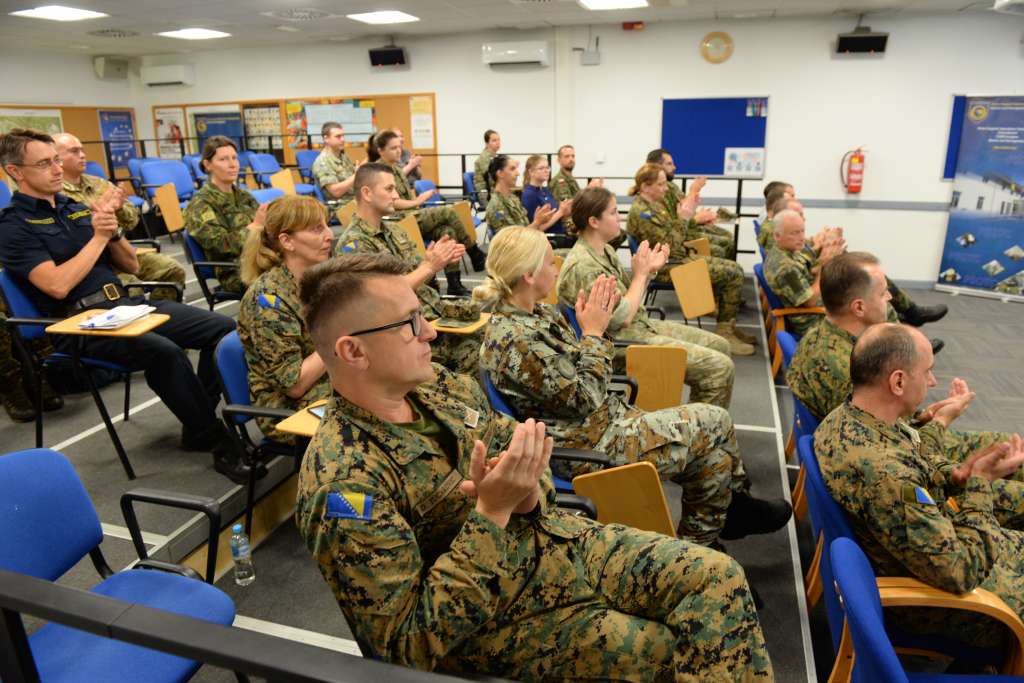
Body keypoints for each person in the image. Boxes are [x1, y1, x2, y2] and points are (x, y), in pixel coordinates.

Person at [294, 252, 774, 681]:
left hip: (553, 539)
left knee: (718, 577)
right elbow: (406, 644)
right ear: (352, 351)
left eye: (423, 315)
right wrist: (491, 514)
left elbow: (521, 452)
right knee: (671, 650)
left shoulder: (438, 386)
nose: (431, 331)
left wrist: (525, 497)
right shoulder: (343, 483)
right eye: (409, 324)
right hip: (496, 615)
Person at [476, 225, 791, 546]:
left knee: (715, 461)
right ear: (528, 275)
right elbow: (583, 397)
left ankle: (703, 541)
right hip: (585, 447)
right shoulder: (516, 340)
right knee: (715, 421)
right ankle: (727, 516)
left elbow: (585, 371)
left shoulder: (539, 314)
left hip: (603, 422)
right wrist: (594, 334)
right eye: (549, 263)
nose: (556, 269)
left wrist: (594, 330)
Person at [0, 129, 245, 481]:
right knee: (165, 353)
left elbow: (130, 266)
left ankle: (198, 423)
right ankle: (217, 439)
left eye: (56, 160)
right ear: (16, 172)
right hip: (78, 323)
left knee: (223, 330)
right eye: (44, 163)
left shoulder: (75, 208)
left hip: (125, 305)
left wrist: (112, 232)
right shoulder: (13, 225)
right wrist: (98, 238)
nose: (57, 169)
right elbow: (56, 286)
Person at [815, 322, 1024, 648]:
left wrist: (959, 474)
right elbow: (961, 572)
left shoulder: (849, 417)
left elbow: (913, 457)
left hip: (925, 556)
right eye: (927, 372)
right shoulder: (889, 477)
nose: (932, 381)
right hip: (937, 601)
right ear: (898, 381)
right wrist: (980, 484)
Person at [787, 252, 1011, 461]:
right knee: (1009, 451)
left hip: (889, 442)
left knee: (1008, 446)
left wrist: (924, 417)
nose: (890, 296)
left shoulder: (823, 336)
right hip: (901, 457)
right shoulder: (848, 370)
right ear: (859, 308)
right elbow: (889, 442)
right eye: (882, 293)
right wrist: (942, 421)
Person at [558, 186, 737, 407]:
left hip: (637, 327)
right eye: (613, 212)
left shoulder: (605, 251)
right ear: (594, 221)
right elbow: (622, 317)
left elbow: (631, 299)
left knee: (721, 345)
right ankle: (704, 431)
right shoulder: (584, 266)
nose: (620, 217)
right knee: (719, 367)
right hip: (620, 344)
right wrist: (640, 275)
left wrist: (648, 273)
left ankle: (699, 422)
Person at [334, 162, 484, 375]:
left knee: (493, 332)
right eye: (389, 189)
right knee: (480, 355)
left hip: (434, 315)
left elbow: (417, 275)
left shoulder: (396, 231)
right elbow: (383, 296)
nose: (395, 195)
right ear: (366, 193)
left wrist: (434, 260)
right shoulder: (353, 244)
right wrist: (430, 265)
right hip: (407, 332)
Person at [626, 163, 755, 355]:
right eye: (660, 184)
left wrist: (686, 218)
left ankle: (728, 325)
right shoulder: (644, 213)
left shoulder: (656, 205)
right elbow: (670, 245)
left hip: (678, 258)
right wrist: (684, 218)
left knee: (733, 267)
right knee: (733, 273)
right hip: (666, 267)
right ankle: (725, 330)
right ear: (645, 186)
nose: (665, 188)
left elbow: (674, 239)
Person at [237, 195, 332, 442]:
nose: (329, 235)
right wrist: (342, 332)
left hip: (327, 378)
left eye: (326, 225)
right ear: (287, 241)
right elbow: (295, 384)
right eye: (316, 229)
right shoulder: (268, 299)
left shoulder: (317, 279)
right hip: (287, 407)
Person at [54, 133, 185, 301]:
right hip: (90, 261)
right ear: (56, 159)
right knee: (130, 287)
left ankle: (162, 316)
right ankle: (145, 321)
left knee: (171, 269)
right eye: (74, 151)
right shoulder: (55, 193)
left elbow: (132, 221)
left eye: (82, 150)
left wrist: (120, 208)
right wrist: (100, 212)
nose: (82, 155)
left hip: (120, 251)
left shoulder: (98, 183)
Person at [369, 130, 486, 295]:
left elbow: (407, 195)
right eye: (393, 148)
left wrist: (415, 203)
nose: (398, 151)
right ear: (381, 151)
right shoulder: (379, 172)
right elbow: (393, 202)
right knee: (447, 212)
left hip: (409, 214)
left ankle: (454, 284)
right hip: (396, 219)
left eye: (399, 147)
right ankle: (474, 252)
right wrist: (417, 202)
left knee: (448, 232)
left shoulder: (396, 169)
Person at [183, 135, 267, 294]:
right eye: (223, 159)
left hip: (260, 259)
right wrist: (255, 227)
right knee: (284, 277)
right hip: (233, 270)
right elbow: (220, 245)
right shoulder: (201, 203)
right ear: (208, 165)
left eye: (234, 158)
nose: (232, 164)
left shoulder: (244, 196)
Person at [762, 209, 846, 337]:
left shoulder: (786, 252)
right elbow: (810, 301)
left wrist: (826, 260)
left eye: (802, 231)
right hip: (813, 320)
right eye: (795, 233)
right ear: (777, 235)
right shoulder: (785, 267)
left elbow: (807, 273)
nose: (801, 238)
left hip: (819, 309)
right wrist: (824, 267)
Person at [647, 148, 734, 257]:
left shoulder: (671, 186)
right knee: (723, 245)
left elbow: (685, 209)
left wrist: (699, 214)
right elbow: (676, 223)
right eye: (669, 164)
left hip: (683, 232)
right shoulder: (657, 193)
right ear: (656, 166)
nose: (674, 167)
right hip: (677, 241)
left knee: (728, 237)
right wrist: (694, 191)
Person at [484, 154, 558, 235]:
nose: (518, 173)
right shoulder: (497, 205)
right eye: (512, 169)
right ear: (500, 174)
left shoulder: (513, 198)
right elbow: (511, 240)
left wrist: (537, 222)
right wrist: (537, 222)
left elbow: (524, 228)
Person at [520, 154, 573, 247]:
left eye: (547, 167)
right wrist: (560, 212)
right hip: (548, 240)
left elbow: (555, 216)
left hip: (560, 235)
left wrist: (565, 212)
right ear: (531, 172)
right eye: (541, 168)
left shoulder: (545, 190)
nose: (546, 171)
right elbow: (537, 228)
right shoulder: (529, 194)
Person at [311, 121, 361, 205]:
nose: (343, 139)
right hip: (340, 207)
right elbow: (336, 192)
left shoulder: (342, 156)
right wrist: (356, 175)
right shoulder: (322, 162)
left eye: (343, 136)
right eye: (338, 136)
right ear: (326, 139)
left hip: (353, 201)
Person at [472, 128, 500, 205]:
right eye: (494, 140)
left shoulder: (494, 156)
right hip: (486, 193)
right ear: (487, 143)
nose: (498, 143)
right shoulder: (484, 158)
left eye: (498, 140)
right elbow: (492, 179)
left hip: (492, 191)